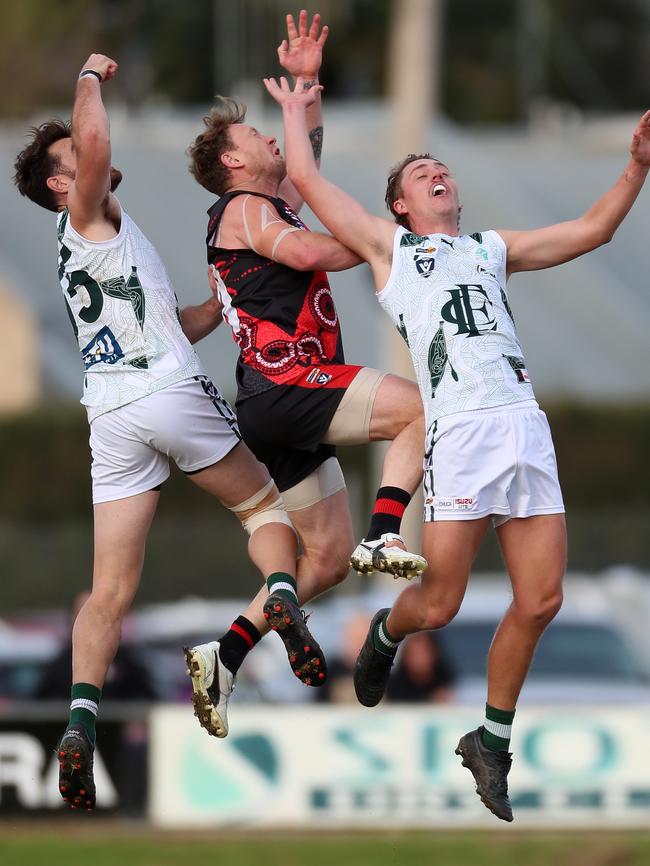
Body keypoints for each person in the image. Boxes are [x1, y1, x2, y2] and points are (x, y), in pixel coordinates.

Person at [263, 74, 650, 822]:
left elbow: (593, 231)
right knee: (438, 605)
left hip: (523, 427)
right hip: (464, 434)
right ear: (401, 205)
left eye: (440, 167)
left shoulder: (490, 248)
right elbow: (307, 178)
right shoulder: (392, 250)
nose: (436, 172)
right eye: (418, 174)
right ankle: (385, 630)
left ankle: (492, 742)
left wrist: (635, 166)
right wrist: (299, 97)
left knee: (541, 600)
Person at [12, 54, 327, 812]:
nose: (90, 159)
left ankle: (81, 720)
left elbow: (168, 322)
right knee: (266, 514)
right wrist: (86, 77)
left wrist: (219, 306)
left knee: (110, 591)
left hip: (113, 413)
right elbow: (93, 144)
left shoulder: (97, 241)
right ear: (62, 182)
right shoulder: (82, 211)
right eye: (73, 160)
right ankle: (282, 597)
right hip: (164, 391)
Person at [186, 11, 426, 731]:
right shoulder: (244, 209)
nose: (268, 138)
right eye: (253, 137)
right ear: (230, 163)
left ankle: (223, 656)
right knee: (420, 409)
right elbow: (311, 252)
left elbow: (305, 158)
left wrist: (307, 82)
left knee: (318, 562)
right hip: (288, 387)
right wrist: (383, 239)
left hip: (273, 401)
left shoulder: (261, 202)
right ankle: (388, 533)